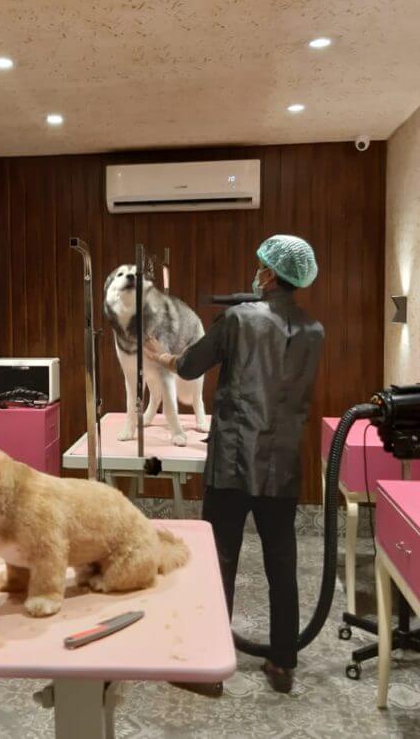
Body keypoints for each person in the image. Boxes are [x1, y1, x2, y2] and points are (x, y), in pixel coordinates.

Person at [147, 234, 324, 695]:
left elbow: (188, 368)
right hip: (282, 467)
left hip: (231, 466)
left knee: (219, 561)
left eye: (259, 265)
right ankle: (283, 663)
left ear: (268, 274)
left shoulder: (238, 320)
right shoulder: (314, 331)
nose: (256, 271)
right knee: (282, 561)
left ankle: (208, 672)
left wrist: (160, 355)